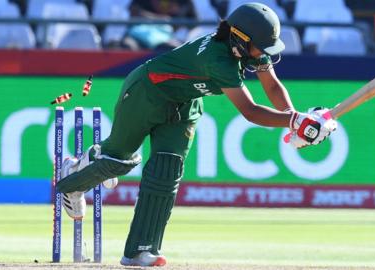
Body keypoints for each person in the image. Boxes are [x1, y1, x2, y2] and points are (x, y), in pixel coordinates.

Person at [55, 3, 337, 267]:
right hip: (147, 92)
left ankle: (141, 249)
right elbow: (249, 111)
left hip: (185, 103)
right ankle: (73, 178)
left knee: (168, 171)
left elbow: (273, 88)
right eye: (259, 47)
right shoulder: (217, 58)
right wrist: (296, 121)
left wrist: (294, 120)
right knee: (120, 161)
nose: (262, 53)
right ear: (239, 37)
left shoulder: (250, 48)